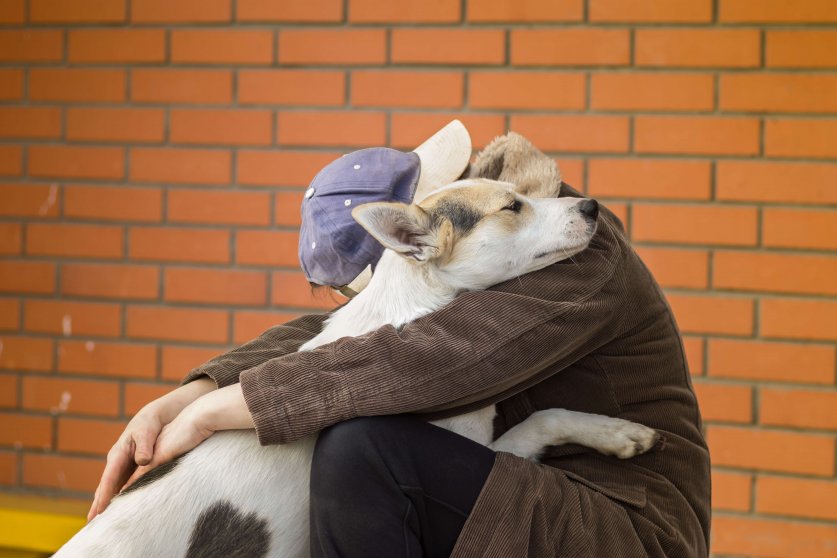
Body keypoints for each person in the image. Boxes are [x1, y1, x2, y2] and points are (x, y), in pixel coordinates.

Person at [90, 122, 711, 557]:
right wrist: (195, 390)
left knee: (365, 448)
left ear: (421, 236)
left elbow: (426, 355)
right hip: (547, 498)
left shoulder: (575, 254)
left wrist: (216, 413)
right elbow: (333, 338)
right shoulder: (479, 260)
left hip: (626, 528)